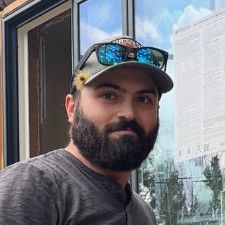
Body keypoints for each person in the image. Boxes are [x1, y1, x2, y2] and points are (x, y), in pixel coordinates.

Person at [0, 36, 173, 225]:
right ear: (72, 108)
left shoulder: (144, 213)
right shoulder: (33, 186)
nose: (129, 113)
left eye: (144, 99)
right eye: (108, 95)